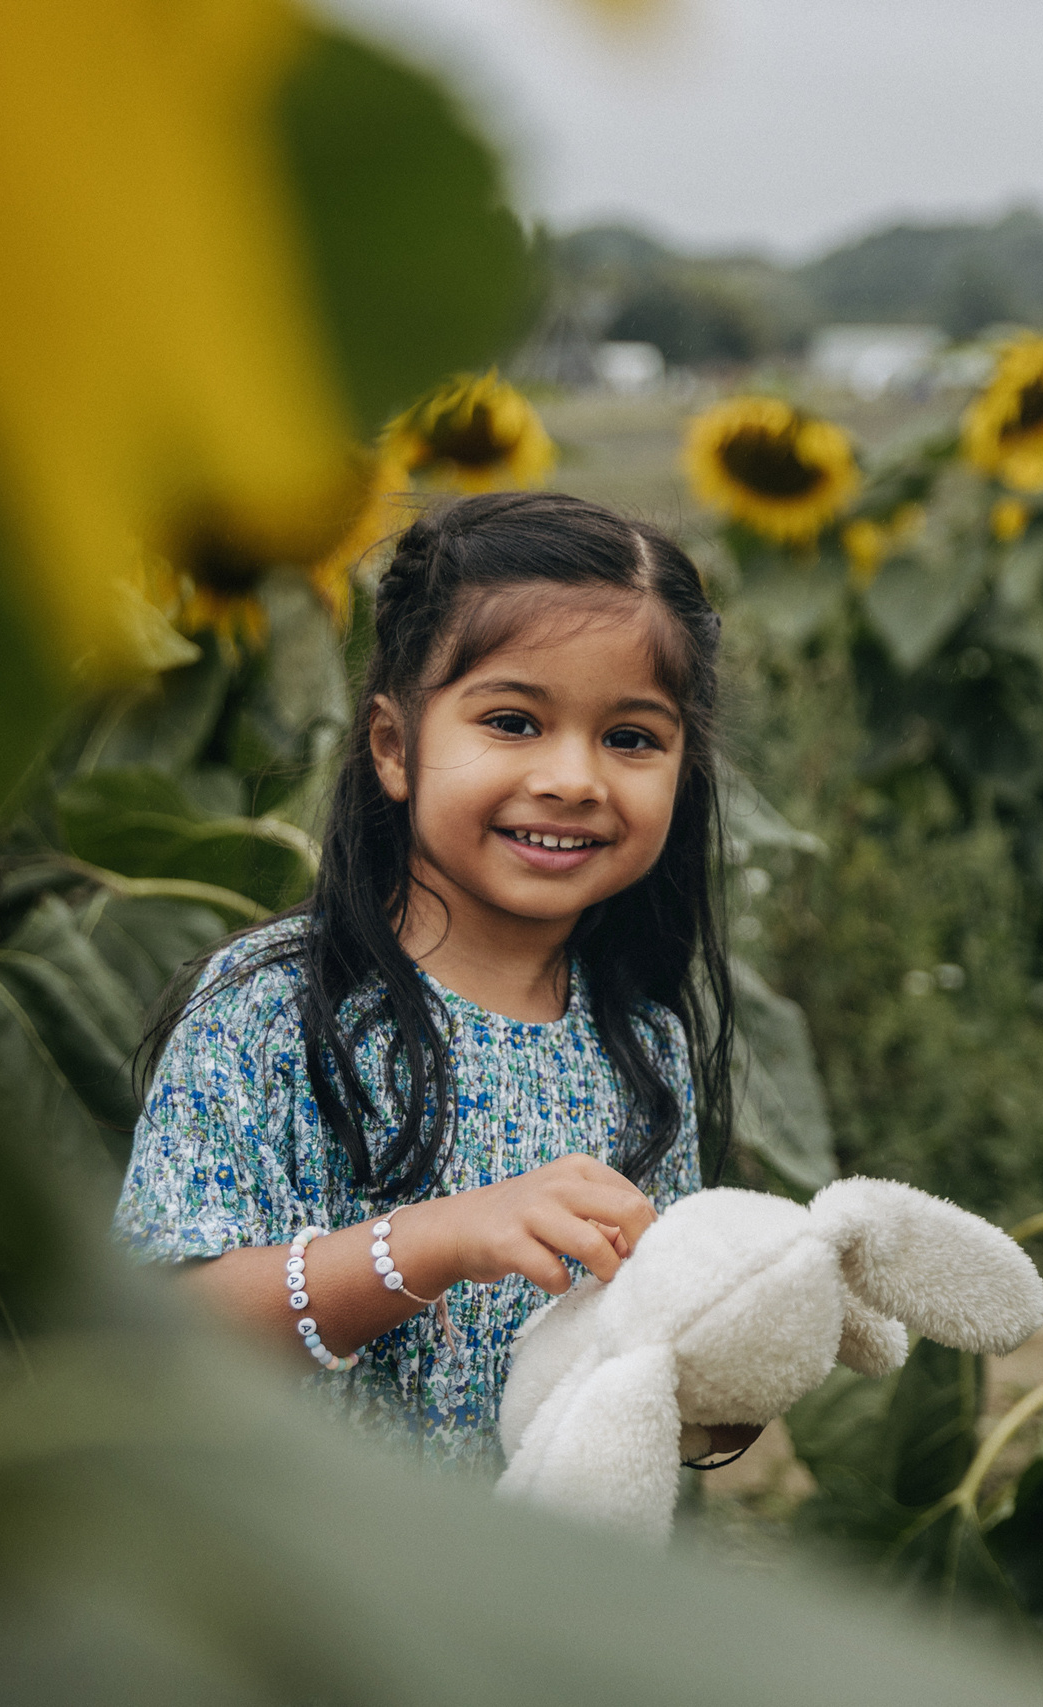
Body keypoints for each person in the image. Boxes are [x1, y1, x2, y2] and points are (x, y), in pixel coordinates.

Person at [113, 490, 752, 1476]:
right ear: (393, 747)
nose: (576, 778)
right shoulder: (275, 1011)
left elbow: (650, 1344)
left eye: (631, 738)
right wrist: (437, 1240)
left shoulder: (640, 1039)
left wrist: (720, 1375)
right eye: (512, 721)